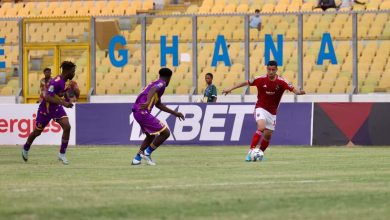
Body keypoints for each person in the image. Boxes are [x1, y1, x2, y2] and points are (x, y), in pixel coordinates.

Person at [222, 60, 305, 161]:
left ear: (276, 70)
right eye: (269, 69)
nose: (271, 72)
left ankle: (259, 153)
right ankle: (250, 152)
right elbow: (245, 82)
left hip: (272, 113)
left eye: (273, 70)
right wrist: (230, 88)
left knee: (267, 136)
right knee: (261, 127)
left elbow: (293, 89)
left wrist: (299, 92)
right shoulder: (260, 79)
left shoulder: (282, 82)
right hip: (260, 108)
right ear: (267, 69)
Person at [22, 61, 76, 165]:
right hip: (45, 109)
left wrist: (67, 100)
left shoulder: (67, 81)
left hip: (56, 108)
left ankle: (62, 154)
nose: (74, 73)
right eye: (73, 71)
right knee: (37, 132)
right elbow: (47, 97)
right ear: (67, 71)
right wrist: (63, 103)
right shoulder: (56, 81)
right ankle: (26, 147)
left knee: (67, 127)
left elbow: (61, 93)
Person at [131, 68, 185, 166]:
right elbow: (153, 89)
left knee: (150, 136)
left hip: (137, 111)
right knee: (166, 133)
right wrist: (147, 101)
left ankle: (137, 158)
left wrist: (175, 113)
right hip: (142, 111)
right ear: (169, 78)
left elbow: (159, 104)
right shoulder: (162, 83)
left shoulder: (155, 83)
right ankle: (147, 153)